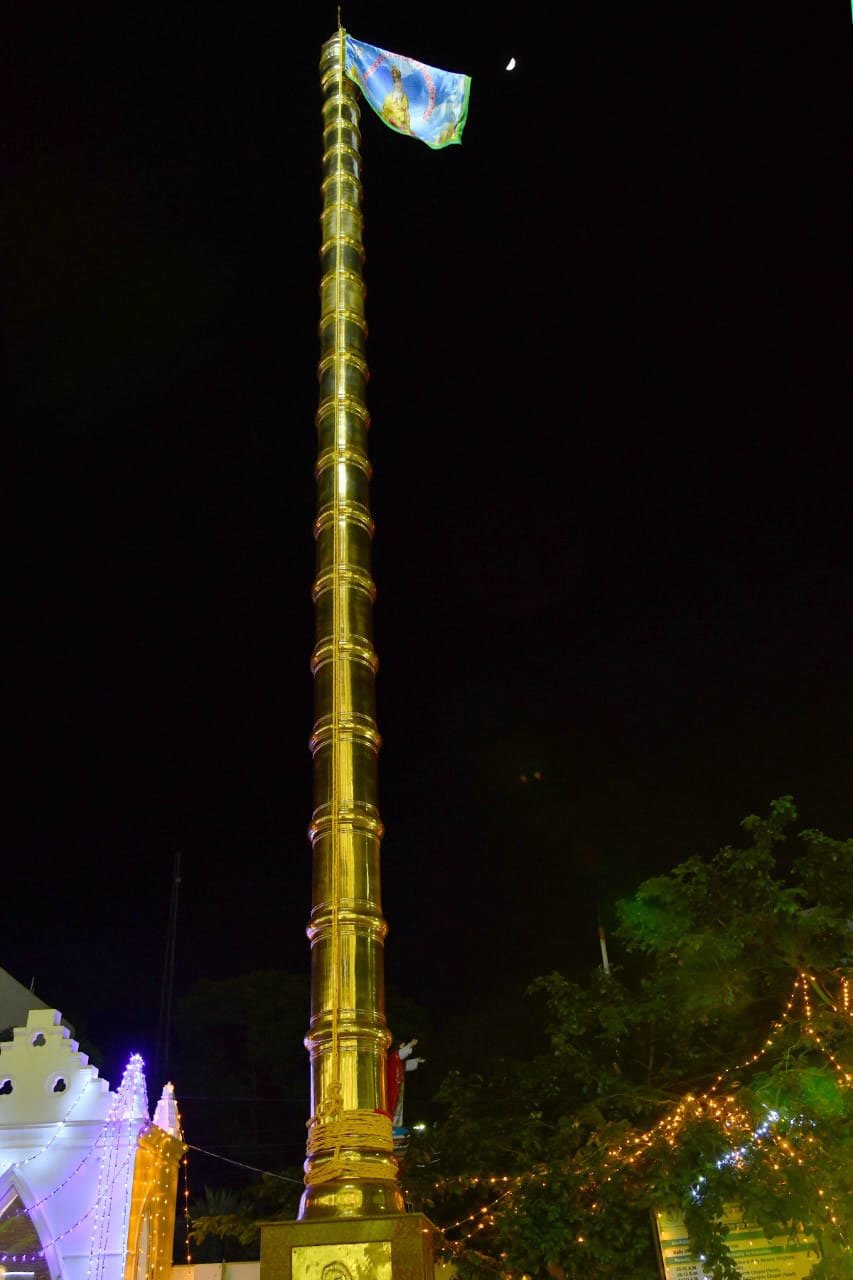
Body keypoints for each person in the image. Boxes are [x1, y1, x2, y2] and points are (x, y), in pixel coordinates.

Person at [382, 66, 410, 132]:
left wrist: (407, 128)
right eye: (396, 83)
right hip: (393, 125)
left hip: (403, 125)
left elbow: (406, 110)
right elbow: (387, 112)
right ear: (394, 85)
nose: (399, 85)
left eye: (400, 83)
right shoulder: (389, 98)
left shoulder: (404, 97)